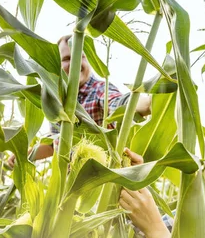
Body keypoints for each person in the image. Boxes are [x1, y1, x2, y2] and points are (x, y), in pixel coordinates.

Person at [9, 35, 152, 165]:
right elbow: (53, 144)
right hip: (69, 185)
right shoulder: (55, 103)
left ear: (89, 60)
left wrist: (150, 103)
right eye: (66, 59)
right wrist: (23, 155)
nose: (74, 64)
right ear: (56, 65)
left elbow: (120, 104)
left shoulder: (100, 89)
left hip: (102, 184)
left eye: (80, 57)